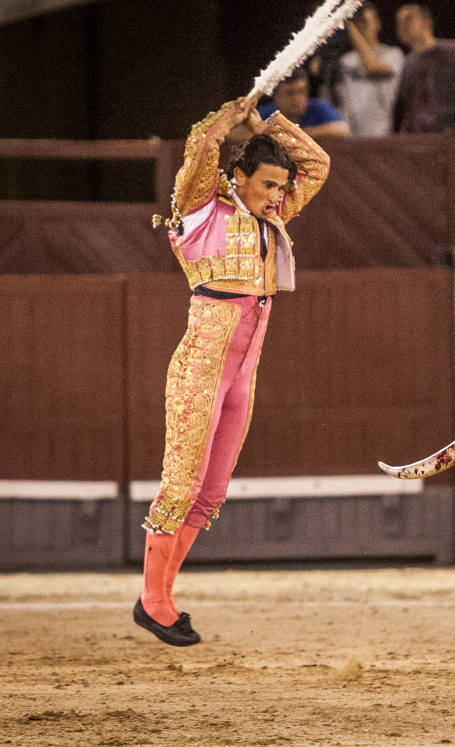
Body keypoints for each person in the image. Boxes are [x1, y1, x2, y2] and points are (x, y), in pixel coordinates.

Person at [138, 94, 330, 646]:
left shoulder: (271, 216)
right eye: (267, 184)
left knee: (211, 491)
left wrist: (265, 122)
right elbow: (200, 147)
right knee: (181, 485)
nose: (277, 196)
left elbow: (317, 165)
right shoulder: (201, 210)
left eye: (279, 188)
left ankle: (161, 598)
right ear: (238, 177)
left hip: (241, 378)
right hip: (200, 370)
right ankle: (154, 599)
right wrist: (229, 114)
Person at [393, 4, 455, 133]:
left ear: (426, 24)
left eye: (409, 19)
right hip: (420, 140)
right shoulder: (408, 63)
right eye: (399, 21)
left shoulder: (453, 51)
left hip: (449, 137)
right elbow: (407, 108)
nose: (403, 25)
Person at [335, 3, 406, 137]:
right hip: (350, 137)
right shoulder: (345, 60)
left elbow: (373, 68)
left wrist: (350, 26)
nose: (359, 26)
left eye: (364, 22)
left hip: (381, 135)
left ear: (377, 24)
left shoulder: (393, 54)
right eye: (357, 22)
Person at [257, 67, 351, 138]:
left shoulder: (319, 107)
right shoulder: (265, 114)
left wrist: (294, 134)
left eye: (301, 91)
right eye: (289, 93)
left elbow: (343, 129)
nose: (296, 98)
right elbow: (245, 135)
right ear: (275, 97)